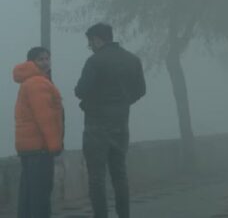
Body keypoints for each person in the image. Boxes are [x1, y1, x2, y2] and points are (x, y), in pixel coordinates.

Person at [75, 23, 146, 218]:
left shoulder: (95, 61)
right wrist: (122, 103)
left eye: (90, 42)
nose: (90, 46)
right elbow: (141, 90)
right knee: (119, 174)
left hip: (96, 125)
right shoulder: (132, 60)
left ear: (97, 39)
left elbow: (80, 91)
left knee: (96, 178)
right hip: (121, 124)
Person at [14, 46, 64, 218]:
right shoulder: (38, 82)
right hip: (40, 146)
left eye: (47, 58)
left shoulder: (29, 82)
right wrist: (55, 145)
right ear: (31, 62)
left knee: (28, 193)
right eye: (41, 59)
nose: (45, 62)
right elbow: (45, 117)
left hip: (28, 146)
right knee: (40, 193)